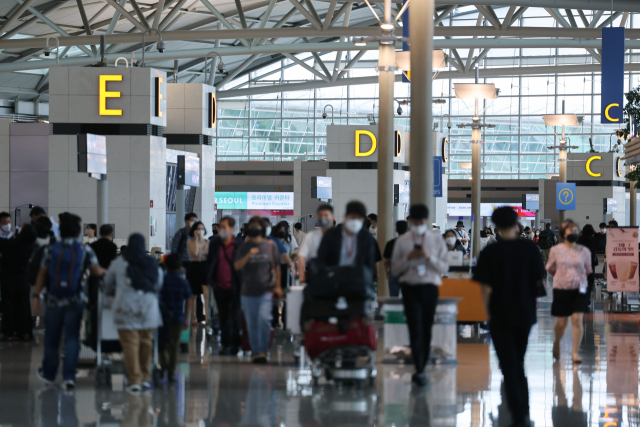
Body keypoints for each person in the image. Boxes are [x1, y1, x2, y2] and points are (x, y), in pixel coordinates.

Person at [473, 207, 545, 427]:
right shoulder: (530, 249)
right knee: (518, 361)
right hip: (524, 313)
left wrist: (486, 312)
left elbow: (484, 288)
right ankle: (522, 410)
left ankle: (518, 413)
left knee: (508, 363)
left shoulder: (490, 252)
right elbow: (539, 282)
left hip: (499, 314)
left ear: (495, 226)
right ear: (516, 223)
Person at [33, 214, 104, 390]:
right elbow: (96, 271)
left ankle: (49, 374)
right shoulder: (85, 250)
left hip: (53, 301)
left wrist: (36, 296)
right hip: (75, 300)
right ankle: (69, 377)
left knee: (51, 339)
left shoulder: (51, 249)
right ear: (78, 232)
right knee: (72, 339)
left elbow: (42, 273)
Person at [390, 204, 449, 387]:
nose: (418, 224)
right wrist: (407, 258)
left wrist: (428, 257)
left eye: (421, 221)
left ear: (426, 221)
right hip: (410, 287)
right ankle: (419, 369)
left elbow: (445, 267)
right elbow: (394, 269)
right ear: (410, 221)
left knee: (426, 327)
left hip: (430, 287)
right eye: (414, 221)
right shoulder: (402, 242)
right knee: (415, 327)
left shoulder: (437, 241)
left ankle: (422, 365)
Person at [105, 233, 163, 394]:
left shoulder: (120, 262)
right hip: (148, 309)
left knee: (130, 344)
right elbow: (158, 285)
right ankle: (145, 377)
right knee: (146, 342)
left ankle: (134, 380)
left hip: (125, 309)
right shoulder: (152, 263)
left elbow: (108, 284)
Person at [233, 216, 283, 363]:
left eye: (257, 226)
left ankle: (263, 350)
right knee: (252, 323)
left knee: (264, 320)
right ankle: (256, 352)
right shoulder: (244, 247)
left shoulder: (271, 245)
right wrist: (249, 255)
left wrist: (278, 286)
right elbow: (237, 266)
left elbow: (278, 267)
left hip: (266, 290)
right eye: (252, 226)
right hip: (248, 291)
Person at [546, 219, 592, 364]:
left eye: (575, 230)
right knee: (561, 323)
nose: (573, 233)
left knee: (577, 320)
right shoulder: (556, 250)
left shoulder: (584, 251)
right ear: (563, 233)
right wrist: (562, 276)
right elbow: (550, 268)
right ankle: (557, 343)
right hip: (561, 289)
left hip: (579, 290)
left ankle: (575, 353)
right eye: (570, 230)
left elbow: (588, 270)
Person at [207, 216, 243, 355]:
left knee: (235, 317)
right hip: (219, 287)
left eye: (224, 227)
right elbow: (210, 263)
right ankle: (225, 344)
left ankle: (235, 344)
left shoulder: (239, 244)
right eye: (220, 227)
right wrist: (212, 281)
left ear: (232, 228)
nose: (221, 230)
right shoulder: (215, 244)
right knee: (223, 317)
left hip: (235, 287)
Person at [316, 201, 378, 274]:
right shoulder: (331, 234)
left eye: (359, 218)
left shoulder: (366, 237)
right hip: (334, 279)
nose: (355, 221)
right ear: (345, 216)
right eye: (353, 217)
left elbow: (371, 262)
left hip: (358, 280)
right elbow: (321, 259)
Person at [159, 253, 192, 383]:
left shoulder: (163, 280)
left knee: (162, 343)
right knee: (175, 345)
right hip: (178, 318)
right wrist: (187, 318)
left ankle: (163, 364)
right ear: (180, 267)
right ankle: (172, 372)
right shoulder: (183, 281)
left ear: (165, 266)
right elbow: (189, 299)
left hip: (163, 318)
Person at [0, 224, 37, 341]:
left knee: (8, 306)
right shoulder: (32, 248)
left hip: (8, 279)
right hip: (23, 280)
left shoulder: (9, 244)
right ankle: (25, 332)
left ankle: (9, 333)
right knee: (24, 306)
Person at [298, 204, 334, 283]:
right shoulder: (311, 235)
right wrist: (302, 275)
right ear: (317, 217)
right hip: (315, 275)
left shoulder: (338, 235)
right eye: (320, 215)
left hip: (334, 277)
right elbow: (301, 256)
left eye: (326, 215)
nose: (323, 218)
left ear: (332, 217)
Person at [187, 221, 210, 328]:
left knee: (206, 294)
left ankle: (207, 318)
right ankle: (194, 318)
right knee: (193, 295)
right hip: (194, 267)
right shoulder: (190, 241)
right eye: (198, 229)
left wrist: (202, 240)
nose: (200, 231)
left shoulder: (207, 242)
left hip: (205, 267)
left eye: (202, 228)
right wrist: (196, 239)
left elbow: (207, 254)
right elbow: (195, 253)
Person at [383, 220, 409, 297]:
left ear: (396, 230)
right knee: (408, 298)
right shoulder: (410, 243)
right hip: (407, 273)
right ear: (407, 230)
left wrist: (387, 272)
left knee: (393, 299)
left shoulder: (390, 243)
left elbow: (385, 261)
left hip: (393, 273)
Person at [578, 224, 598, 306]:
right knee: (590, 281)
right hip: (590, 264)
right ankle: (588, 297)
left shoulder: (579, 239)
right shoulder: (593, 239)